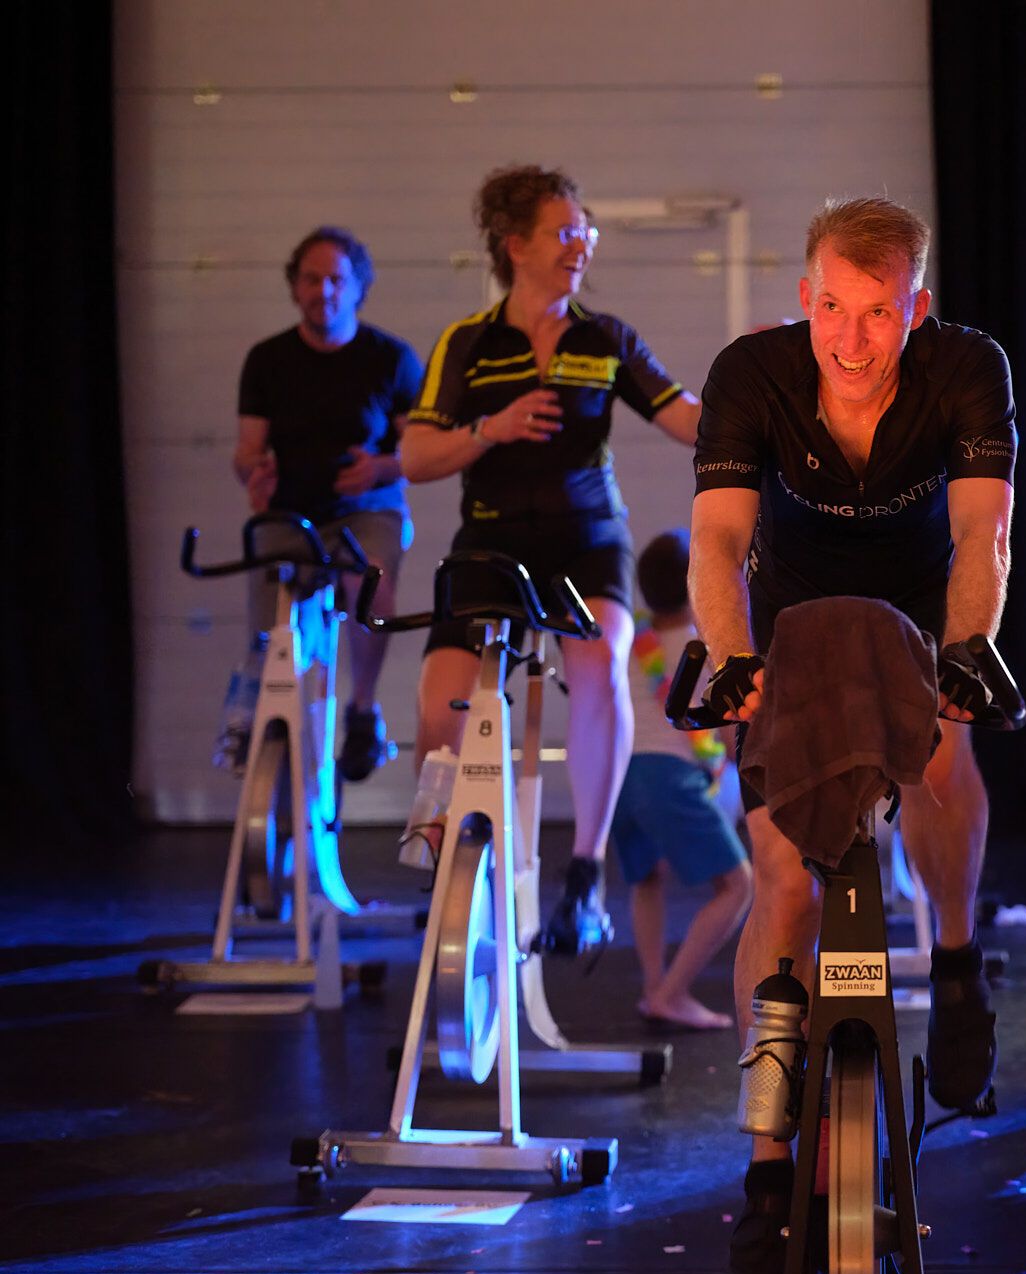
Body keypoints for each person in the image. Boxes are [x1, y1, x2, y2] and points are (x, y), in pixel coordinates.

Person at [687, 196, 1017, 1274]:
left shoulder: (966, 367)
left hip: (922, 618)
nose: (852, 337)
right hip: (790, 630)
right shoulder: (752, 374)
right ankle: (766, 1166)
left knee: (943, 766)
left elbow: (983, 532)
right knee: (782, 882)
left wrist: (966, 654)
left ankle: (957, 963)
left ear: (914, 311)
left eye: (878, 313)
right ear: (805, 298)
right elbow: (717, 541)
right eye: (833, 307)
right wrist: (731, 657)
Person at [400, 164, 702, 956]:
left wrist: (773, 406)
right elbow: (415, 456)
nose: (582, 244)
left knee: (600, 661)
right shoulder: (468, 342)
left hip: (585, 536)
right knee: (439, 703)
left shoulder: (607, 340)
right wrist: (488, 430)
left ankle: (584, 876)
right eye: (565, 232)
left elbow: (688, 420)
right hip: (491, 538)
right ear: (516, 245)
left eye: (585, 230)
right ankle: (443, 859)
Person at [229, 226, 422, 779]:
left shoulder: (391, 358)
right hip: (292, 510)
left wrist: (379, 468)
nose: (324, 292)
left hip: (368, 508)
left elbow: (419, 450)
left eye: (337, 280)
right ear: (295, 288)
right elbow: (247, 451)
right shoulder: (267, 359)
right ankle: (254, 714)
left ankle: (362, 709)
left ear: (358, 287)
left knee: (370, 579)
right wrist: (255, 474)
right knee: (270, 612)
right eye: (312, 280)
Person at [613, 530, 752, 1029]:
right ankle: (671, 994)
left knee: (648, 879)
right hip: (668, 777)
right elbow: (732, 738)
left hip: (620, 779)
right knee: (738, 886)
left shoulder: (630, 641)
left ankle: (654, 985)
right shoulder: (706, 646)